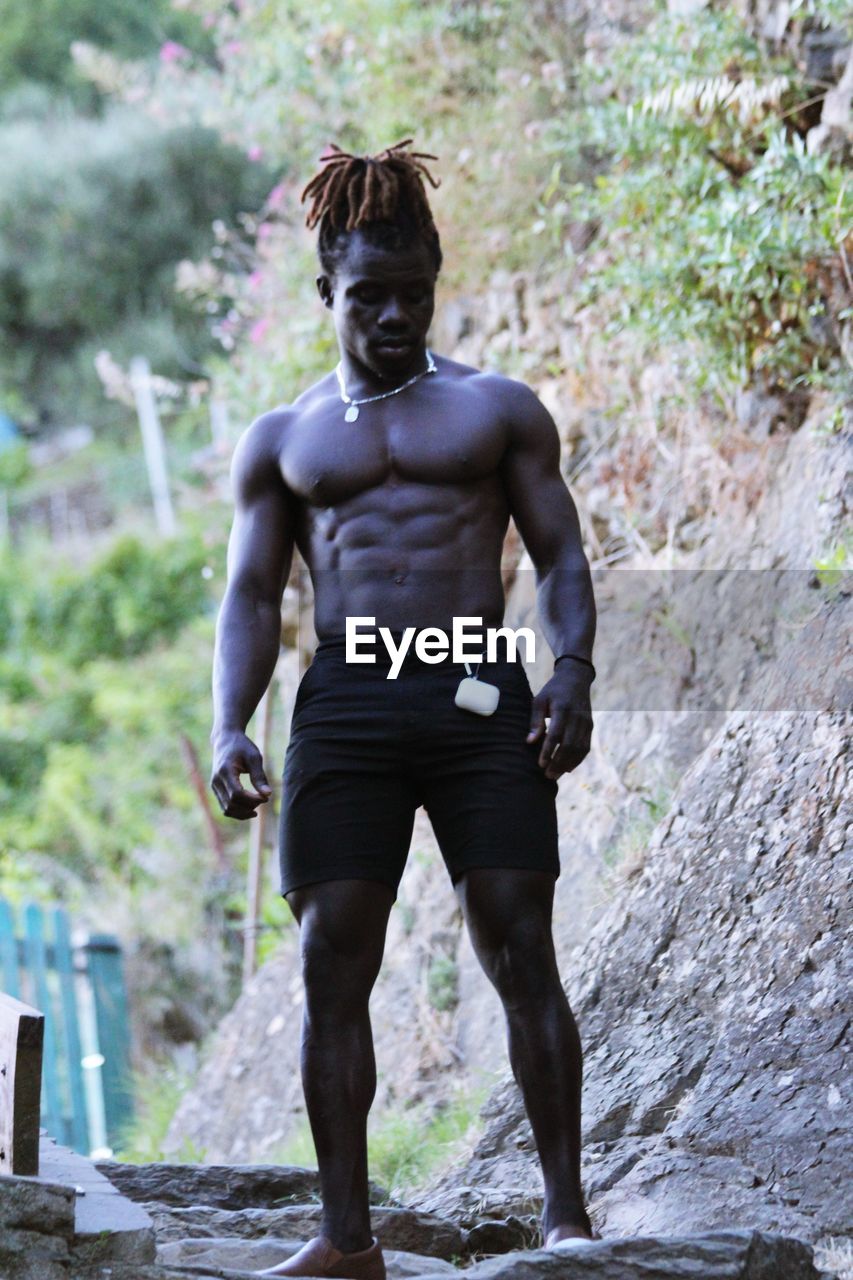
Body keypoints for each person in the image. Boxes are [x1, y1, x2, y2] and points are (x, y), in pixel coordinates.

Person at [210, 140, 598, 1280]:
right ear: (325, 287)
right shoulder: (283, 440)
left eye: (413, 293)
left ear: (436, 283)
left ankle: (565, 1217)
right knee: (333, 957)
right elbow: (248, 594)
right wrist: (233, 719)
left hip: (477, 676)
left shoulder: (497, 408)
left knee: (520, 942)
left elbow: (562, 553)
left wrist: (569, 670)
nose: (392, 313)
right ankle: (346, 1240)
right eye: (367, 294)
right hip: (346, 696)